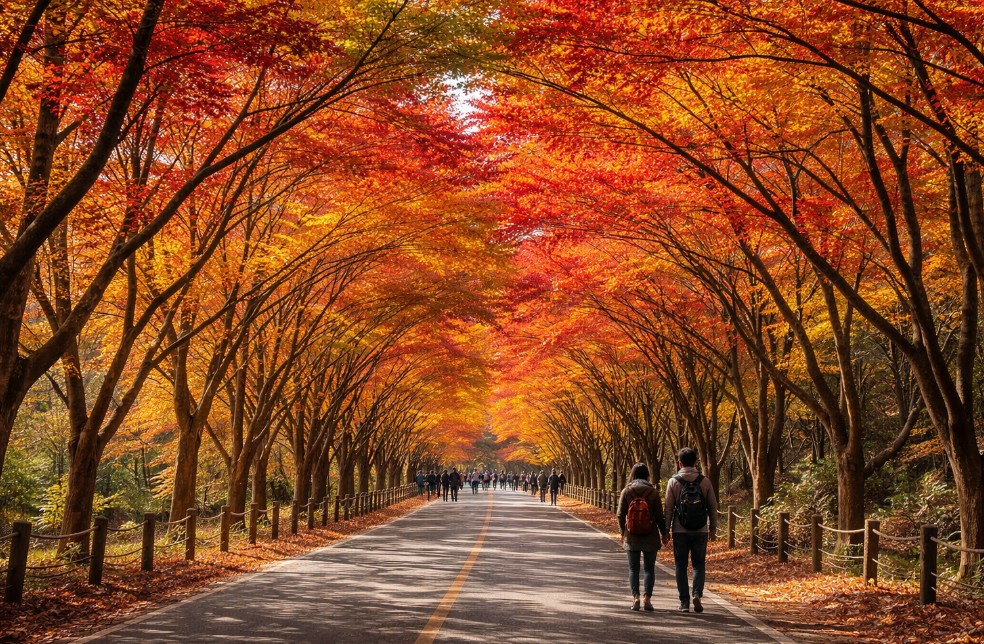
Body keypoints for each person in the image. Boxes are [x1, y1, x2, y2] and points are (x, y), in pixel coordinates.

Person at [664, 447, 718, 614]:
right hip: (700, 529)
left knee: (680, 565)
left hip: (680, 530)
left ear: (679, 463)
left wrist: (665, 530)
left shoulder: (673, 482)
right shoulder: (705, 481)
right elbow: (712, 506)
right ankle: (697, 593)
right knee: (699, 564)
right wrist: (713, 528)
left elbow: (668, 508)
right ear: (696, 462)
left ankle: (684, 602)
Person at [617, 462, 669, 612]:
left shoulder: (627, 491)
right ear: (647, 474)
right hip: (650, 535)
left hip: (631, 535)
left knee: (633, 569)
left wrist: (622, 531)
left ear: (632, 475)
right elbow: (659, 516)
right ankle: (647, 599)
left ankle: (636, 598)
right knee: (649, 569)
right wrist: (664, 533)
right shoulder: (652, 492)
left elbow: (620, 514)